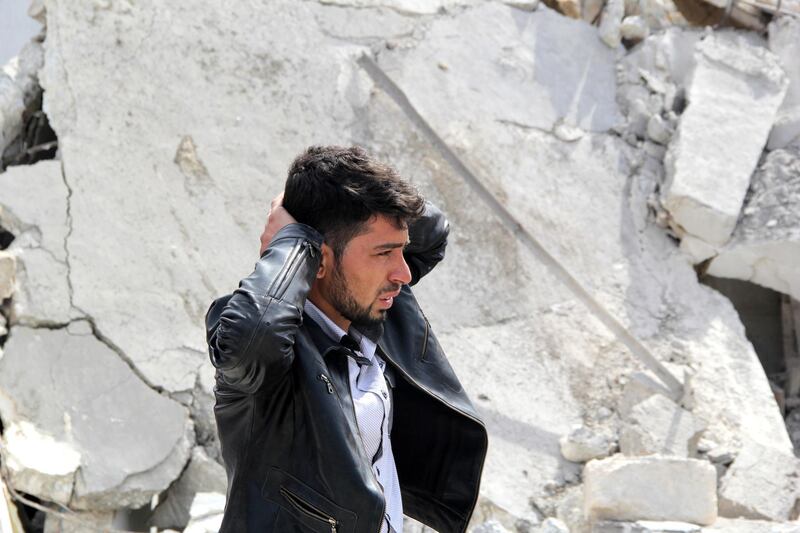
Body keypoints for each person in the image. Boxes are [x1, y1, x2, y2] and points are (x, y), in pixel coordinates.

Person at [205, 145, 488, 533]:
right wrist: (292, 238)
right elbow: (258, 334)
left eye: (401, 250)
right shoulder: (272, 356)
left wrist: (325, 192)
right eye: (384, 252)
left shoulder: (375, 307)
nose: (403, 273)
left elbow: (434, 232)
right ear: (317, 260)